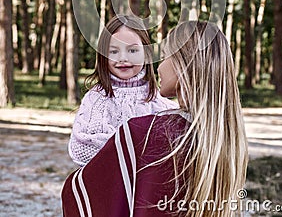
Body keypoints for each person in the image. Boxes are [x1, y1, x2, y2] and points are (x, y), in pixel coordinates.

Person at [62, 20, 248, 217]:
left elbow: (79, 192)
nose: (159, 66)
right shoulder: (217, 137)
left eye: (166, 56)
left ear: (184, 65)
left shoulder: (146, 132)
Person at [68, 14, 178, 166]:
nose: (123, 58)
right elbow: (81, 149)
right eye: (114, 52)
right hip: (109, 187)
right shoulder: (97, 99)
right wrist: (141, 148)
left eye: (132, 51)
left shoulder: (162, 105)